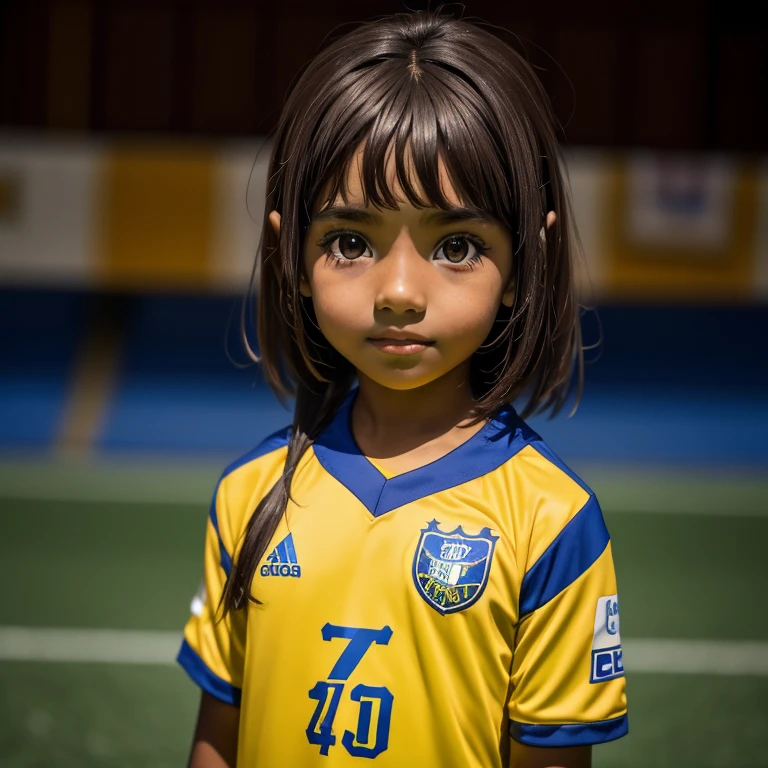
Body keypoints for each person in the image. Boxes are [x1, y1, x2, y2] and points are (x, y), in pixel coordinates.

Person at [177, 9, 627, 768]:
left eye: (458, 246)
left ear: (524, 263)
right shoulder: (250, 493)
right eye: (350, 242)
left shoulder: (554, 523)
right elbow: (216, 742)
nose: (398, 291)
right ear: (291, 252)